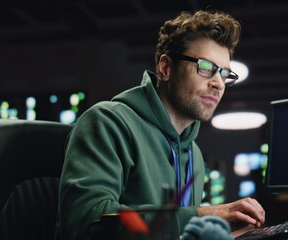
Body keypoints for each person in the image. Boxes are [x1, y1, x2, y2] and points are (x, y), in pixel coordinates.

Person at [57, 10, 265, 240]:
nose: (218, 83)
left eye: (224, 73)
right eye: (205, 67)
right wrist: (203, 215)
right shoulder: (108, 123)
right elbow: (85, 221)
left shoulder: (193, 152)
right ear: (166, 68)